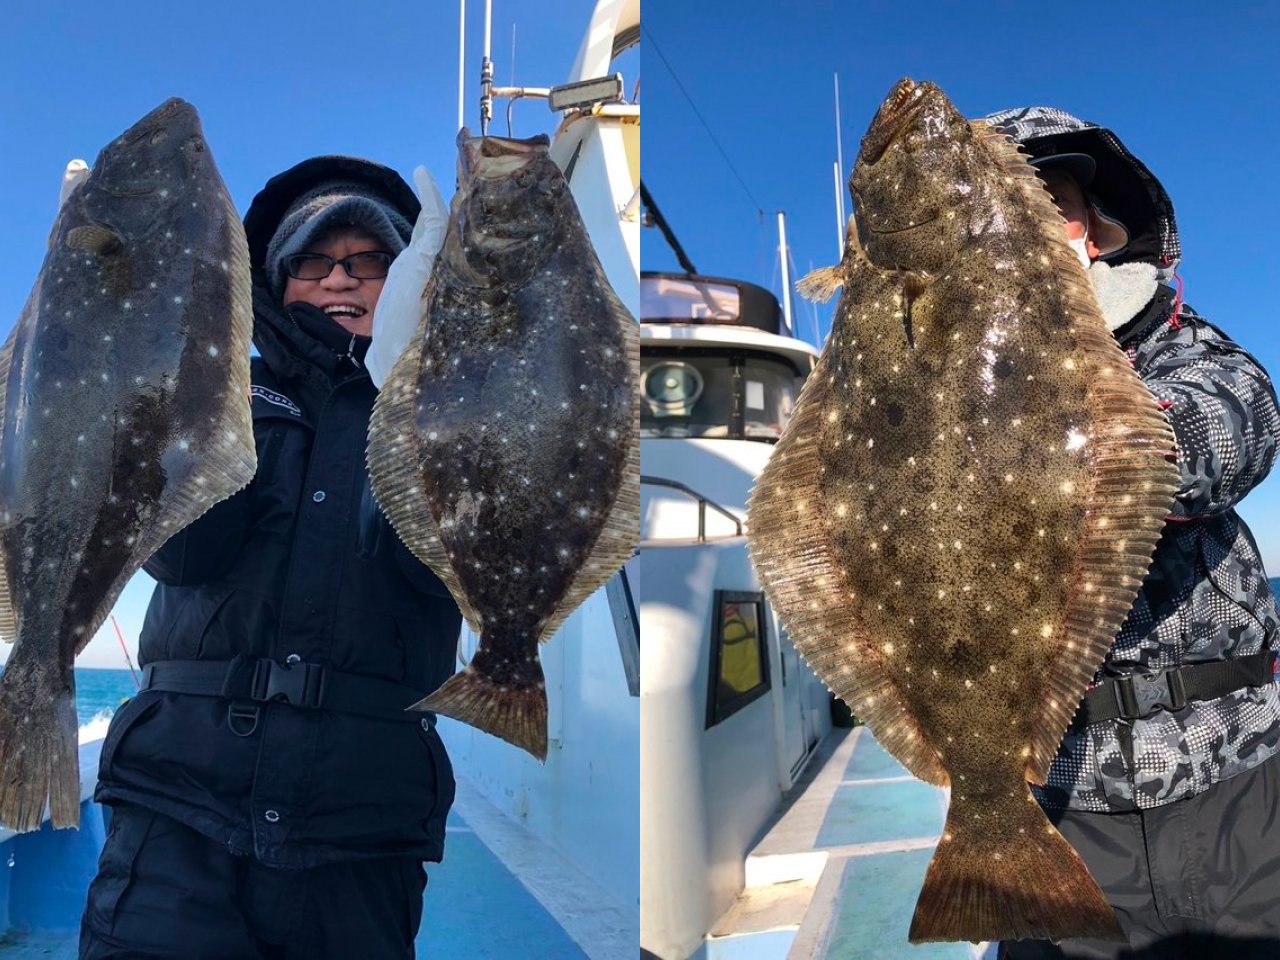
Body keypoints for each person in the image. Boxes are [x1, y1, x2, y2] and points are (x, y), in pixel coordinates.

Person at [79, 156, 462, 959]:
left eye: (367, 262)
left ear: (409, 279)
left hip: (360, 824)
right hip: (179, 807)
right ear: (278, 282)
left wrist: (411, 407)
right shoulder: (222, 389)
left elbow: (436, 571)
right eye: (312, 263)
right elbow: (182, 557)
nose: (337, 280)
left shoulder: (450, 408)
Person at [981, 107, 1280, 959]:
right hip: (1060, 797)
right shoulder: (918, 384)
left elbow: (1230, 433)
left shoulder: (1185, 349)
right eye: (1002, 208)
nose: (1032, 223)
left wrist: (1060, 422)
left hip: (1239, 787)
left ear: (1097, 233)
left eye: (1055, 199)